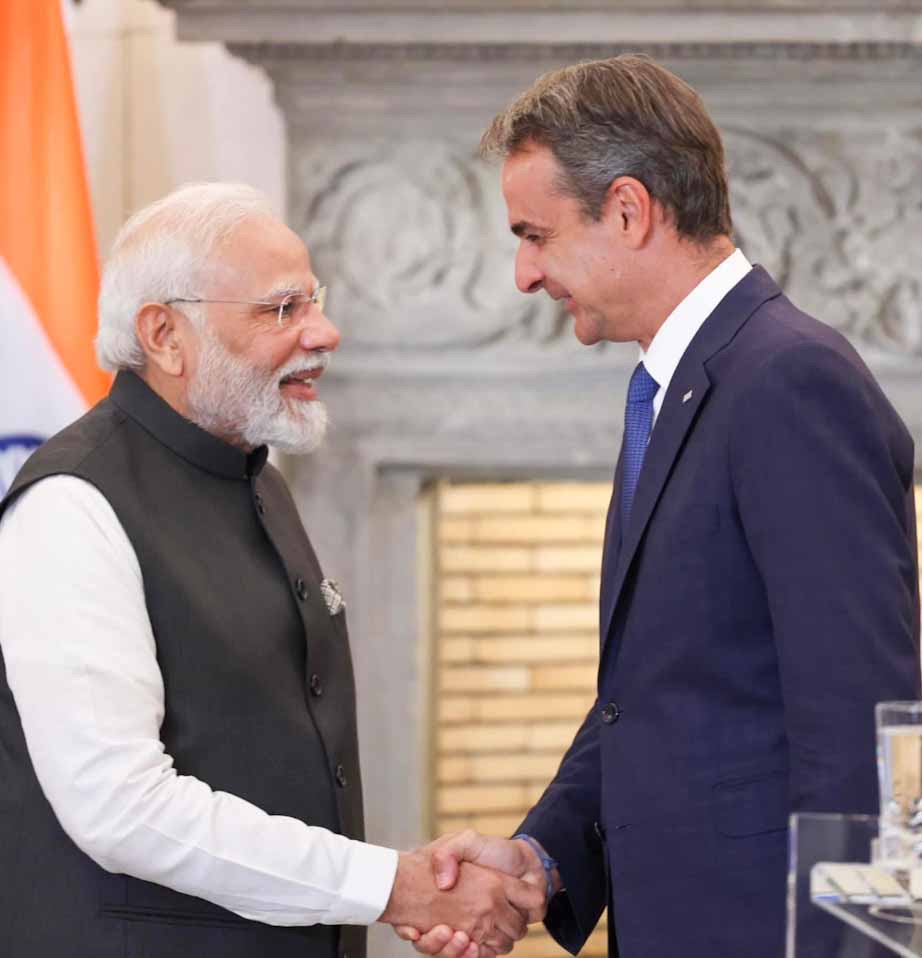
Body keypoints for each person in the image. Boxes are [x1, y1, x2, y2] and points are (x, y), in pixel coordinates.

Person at [396, 54, 921, 958]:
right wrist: (541, 856)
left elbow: (868, 731)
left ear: (629, 211)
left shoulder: (790, 381)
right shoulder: (676, 388)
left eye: (536, 235)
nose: (524, 273)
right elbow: (658, 697)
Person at [0, 183, 543, 958]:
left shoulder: (257, 478)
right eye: (281, 309)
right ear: (164, 334)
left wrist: (404, 890)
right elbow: (120, 807)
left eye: (313, 301)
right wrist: (395, 886)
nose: (324, 331)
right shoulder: (72, 503)